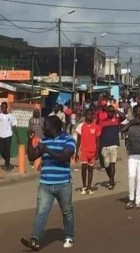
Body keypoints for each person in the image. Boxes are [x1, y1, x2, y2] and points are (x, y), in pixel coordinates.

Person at [21, 116, 76, 250]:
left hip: (63, 183)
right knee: (41, 212)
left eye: (46, 125)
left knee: (67, 211)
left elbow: (65, 157)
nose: (43, 128)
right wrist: (29, 140)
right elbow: (32, 156)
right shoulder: (44, 141)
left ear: (54, 127)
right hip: (45, 183)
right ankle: (35, 239)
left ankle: (69, 236)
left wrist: (47, 150)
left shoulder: (68, 139)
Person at [99, 105, 126, 190]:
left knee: (112, 163)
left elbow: (124, 117)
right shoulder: (102, 122)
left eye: (112, 111)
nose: (111, 113)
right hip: (104, 145)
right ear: (107, 112)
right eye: (109, 111)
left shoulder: (117, 120)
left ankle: (111, 181)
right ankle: (111, 178)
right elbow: (99, 135)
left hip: (114, 144)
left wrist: (116, 111)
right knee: (106, 165)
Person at [75, 109, 101, 195]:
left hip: (92, 152)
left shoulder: (96, 126)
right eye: (88, 114)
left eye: (91, 114)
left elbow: (97, 141)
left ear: (93, 116)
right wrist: (76, 152)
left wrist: (97, 152)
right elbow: (78, 140)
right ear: (85, 115)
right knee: (84, 168)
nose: (90, 116)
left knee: (91, 170)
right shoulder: (81, 126)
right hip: (84, 151)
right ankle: (84, 186)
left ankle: (89, 187)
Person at [0, 102, 20, 171]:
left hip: (8, 136)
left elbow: (14, 127)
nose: (3, 108)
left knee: (7, 151)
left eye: (4, 107)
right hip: (1, 136)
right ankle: (7, 161)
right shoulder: (0, 116)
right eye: (2, 107)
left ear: (7, 107)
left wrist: (18, 138)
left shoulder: (11, 116)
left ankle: (7, 165)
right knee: (2, 151)